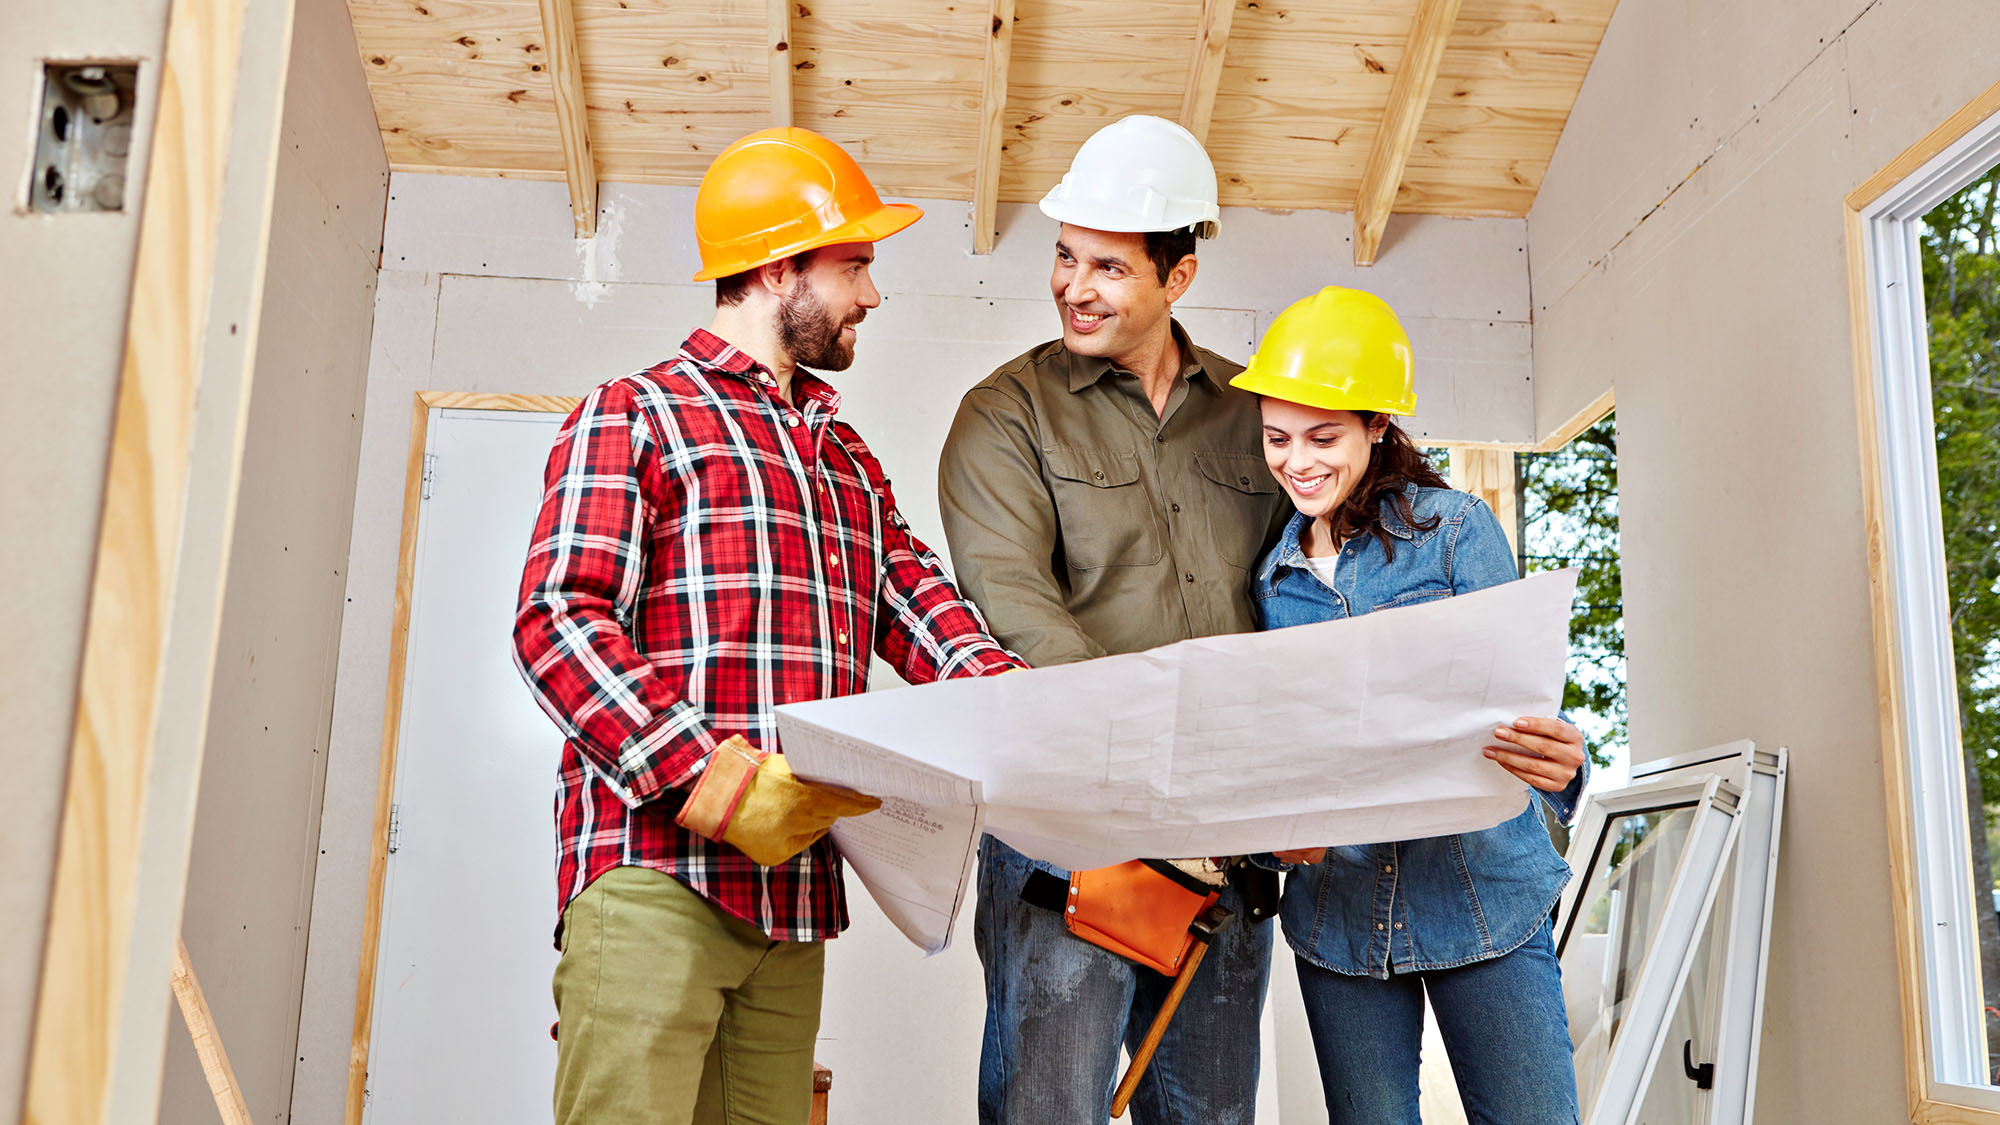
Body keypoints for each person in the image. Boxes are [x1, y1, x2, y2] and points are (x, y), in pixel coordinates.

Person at [512, 126, 1026, 1125]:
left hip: (791, 903)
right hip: (656, 875)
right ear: (778, 266)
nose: (871, 296)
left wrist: (1032, 710)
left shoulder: (842, 457)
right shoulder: (635, 414)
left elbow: (922, 608)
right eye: (855, 264)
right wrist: (712, 776)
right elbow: (556, 622)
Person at [937, 115, 1284, 1125]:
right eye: (1063, 256)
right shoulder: (1005, 415)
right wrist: (1141, 772)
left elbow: (1298, 588)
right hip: (1068, 824)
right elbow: (1014, 608)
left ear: (1176, 279)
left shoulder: (1251, 413)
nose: (1073, 287)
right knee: (1049, 1107)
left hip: (1223, 831)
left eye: (1107, 266)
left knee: (1208, 1113)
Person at [1232, 285, 1588, 1123]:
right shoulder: (1271, 578)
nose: (1298, 462)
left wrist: (1566, 765)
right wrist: (1281, 838)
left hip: (1482, 896)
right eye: (1277, 438)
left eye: (1324, 437)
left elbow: (1528, 722)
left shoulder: (1458, 532)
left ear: (1377, 428)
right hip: (1342, 921)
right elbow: (1283, 755)